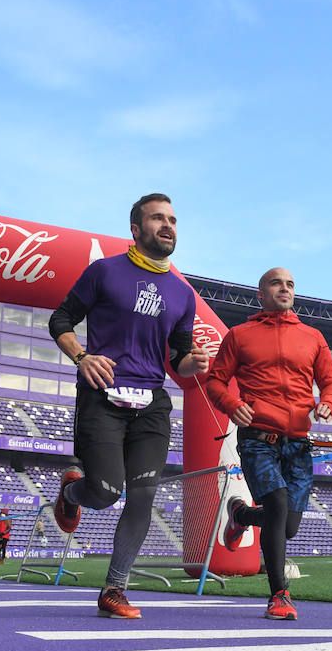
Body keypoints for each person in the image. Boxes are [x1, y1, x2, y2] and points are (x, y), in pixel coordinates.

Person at [48, 193, 210, 619]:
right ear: (136, 230)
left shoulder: (183, 293)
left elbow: (177, 357)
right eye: (158, 218)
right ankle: (71, 490)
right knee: (104, 492)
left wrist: (189, 362)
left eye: (173, 219)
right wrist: (82, 357)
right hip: (102, 394)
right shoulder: (103, 272)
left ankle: (114, 589)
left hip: (152, 404)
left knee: (142, 496)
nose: (168, 225)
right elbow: (60, 320)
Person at [205, 267, 332, 620]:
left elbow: (331, 383)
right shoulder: (239, 335)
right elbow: (216, 383)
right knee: (278, 506)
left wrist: (328, 402)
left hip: (297, 443)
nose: (285, 288)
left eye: (290, 284)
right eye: (276, 283)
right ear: (260, 294)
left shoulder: (313, 337)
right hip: (257, 439)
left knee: (288, 527)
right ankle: (279, 594)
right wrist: (233, 405)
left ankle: (241, 515)